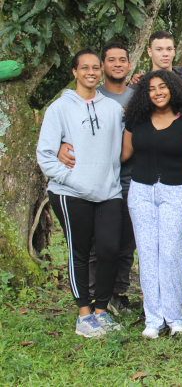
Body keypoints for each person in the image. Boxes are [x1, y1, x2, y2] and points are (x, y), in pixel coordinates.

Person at [37, 48, 124, 338]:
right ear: (74, 72)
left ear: (101, 71)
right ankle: (84, 315)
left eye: (95, 67)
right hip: (70, 192)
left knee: (109, 249)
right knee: (80, 252)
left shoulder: (112, 109)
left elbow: (121, 147)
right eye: (84, 67)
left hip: (108, 191)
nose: (91, 72)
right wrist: (73, 179)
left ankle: (101, 310)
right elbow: (46, 155)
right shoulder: (59, 109)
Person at [121, 70, 182, 338]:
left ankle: (175, 317)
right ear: (144, 95)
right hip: (141, 193)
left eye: (162, 87)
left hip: (176, 193)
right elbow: (122, 154)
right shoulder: (136, 121)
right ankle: (153, 319)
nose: (157, 92)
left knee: (170, 255)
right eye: (151, 89)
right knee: (147, 255)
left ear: (173, 90)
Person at [57, 42, 136, 316]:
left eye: (122, 60)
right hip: (88, 185)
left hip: (124, 183)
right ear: (103, 66)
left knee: (119, 246)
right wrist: (61, 147)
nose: (117, 64)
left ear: (129, 64)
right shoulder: (84, 98)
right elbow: (63, 132)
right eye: (111, 60)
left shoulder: (134, 98)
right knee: (89, 248)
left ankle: (113, 298)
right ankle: (89, 301)